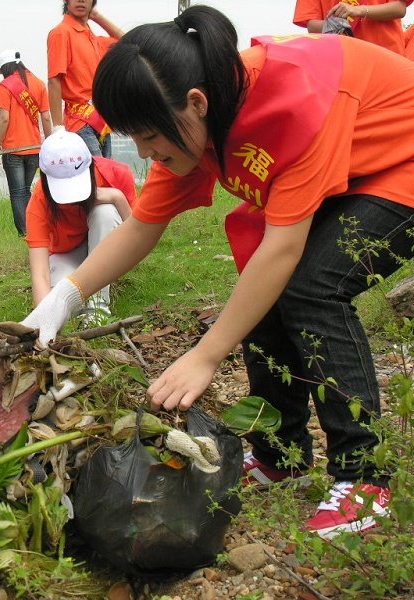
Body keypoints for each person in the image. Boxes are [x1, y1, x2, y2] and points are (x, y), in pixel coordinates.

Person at [23, 5, 414, 539]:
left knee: (312, 288)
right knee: (265, 289)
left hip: (402, 162)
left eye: (148, 137)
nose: (144, 154)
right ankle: (280, 457)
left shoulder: (294, 101)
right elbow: (139, 227)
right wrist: (62, 298)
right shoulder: (196, 122)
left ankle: (365, 477)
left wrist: (205, 356)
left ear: (196, 104)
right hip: (355, 167)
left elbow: (283, 251)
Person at [25, 129, 133, 323]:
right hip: (68, 254)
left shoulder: (116, 173)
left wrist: (117, 197)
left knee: (105, 212)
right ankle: (83, 296)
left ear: (91, 166)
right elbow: (40, 272)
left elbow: (136, 235)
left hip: (107, 244)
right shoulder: (40, 198)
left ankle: (97, 308)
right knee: (60, 303)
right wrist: (43, 320)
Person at [47, 0, 123, 158]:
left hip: (100, 121)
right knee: (95, 175)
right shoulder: (61, 33)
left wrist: (97, 17)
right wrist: (57, 128)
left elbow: (126, 41)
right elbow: (54, 80)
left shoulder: (92, 37)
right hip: (79, 122)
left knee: (104, 177)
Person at [0, 48, 52, 235]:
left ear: (6, 67)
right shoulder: (39, 83)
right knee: (26, 191)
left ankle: (25, 232)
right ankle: (33, 229)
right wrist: (49, 143)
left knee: (18, 193)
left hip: (13, 150)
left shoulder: (5, 86)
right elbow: (47, 117)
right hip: (34, 147)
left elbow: (4, 118)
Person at [294, 0, 411, 53]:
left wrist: (358, 10)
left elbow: (399, 8)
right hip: (342, 62)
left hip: (387, 56)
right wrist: (337, 24)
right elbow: (312, 26)